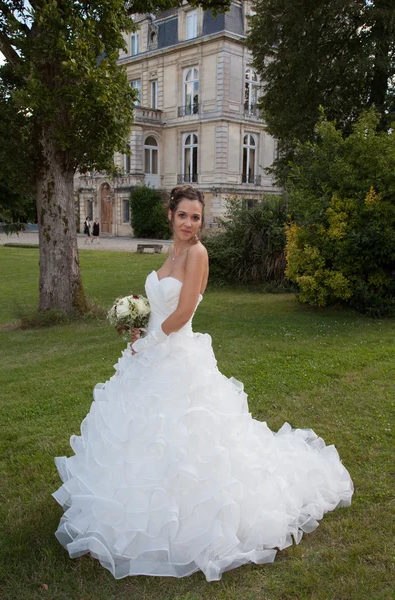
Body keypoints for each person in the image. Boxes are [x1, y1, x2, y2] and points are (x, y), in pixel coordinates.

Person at [53, 184, 353, 582]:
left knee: (188, 441)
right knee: (139, 435)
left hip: (177, 355)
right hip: (151, 351)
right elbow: (160, 305)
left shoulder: (197, 253)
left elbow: (184, 310)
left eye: (196, 217)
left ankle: (192, 519)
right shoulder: (173, 250)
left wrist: (151, 341)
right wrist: (139, 323)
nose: (189, 223)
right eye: (183, 216)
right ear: (171, 216)